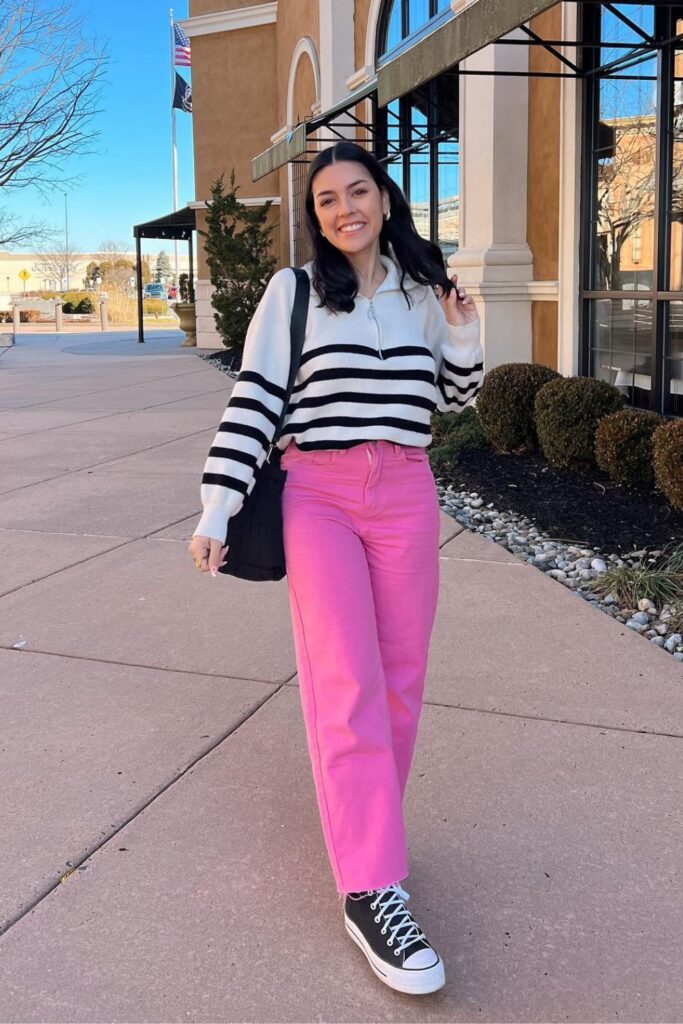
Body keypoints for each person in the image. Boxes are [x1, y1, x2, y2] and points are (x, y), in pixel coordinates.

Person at [188, 140, 483, 996]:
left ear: (384, 199)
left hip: (405, 491)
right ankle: (370, 887)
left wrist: (462, 332)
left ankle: (372, 842)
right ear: (315, 216)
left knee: (399, 681)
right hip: (316, 494)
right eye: (325, 200)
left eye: (357, 191)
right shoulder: (295, 293)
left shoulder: (426, 293)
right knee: (344, 682)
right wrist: (218, 503)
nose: (343, 208)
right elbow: (254, 398)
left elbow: (455, 403)